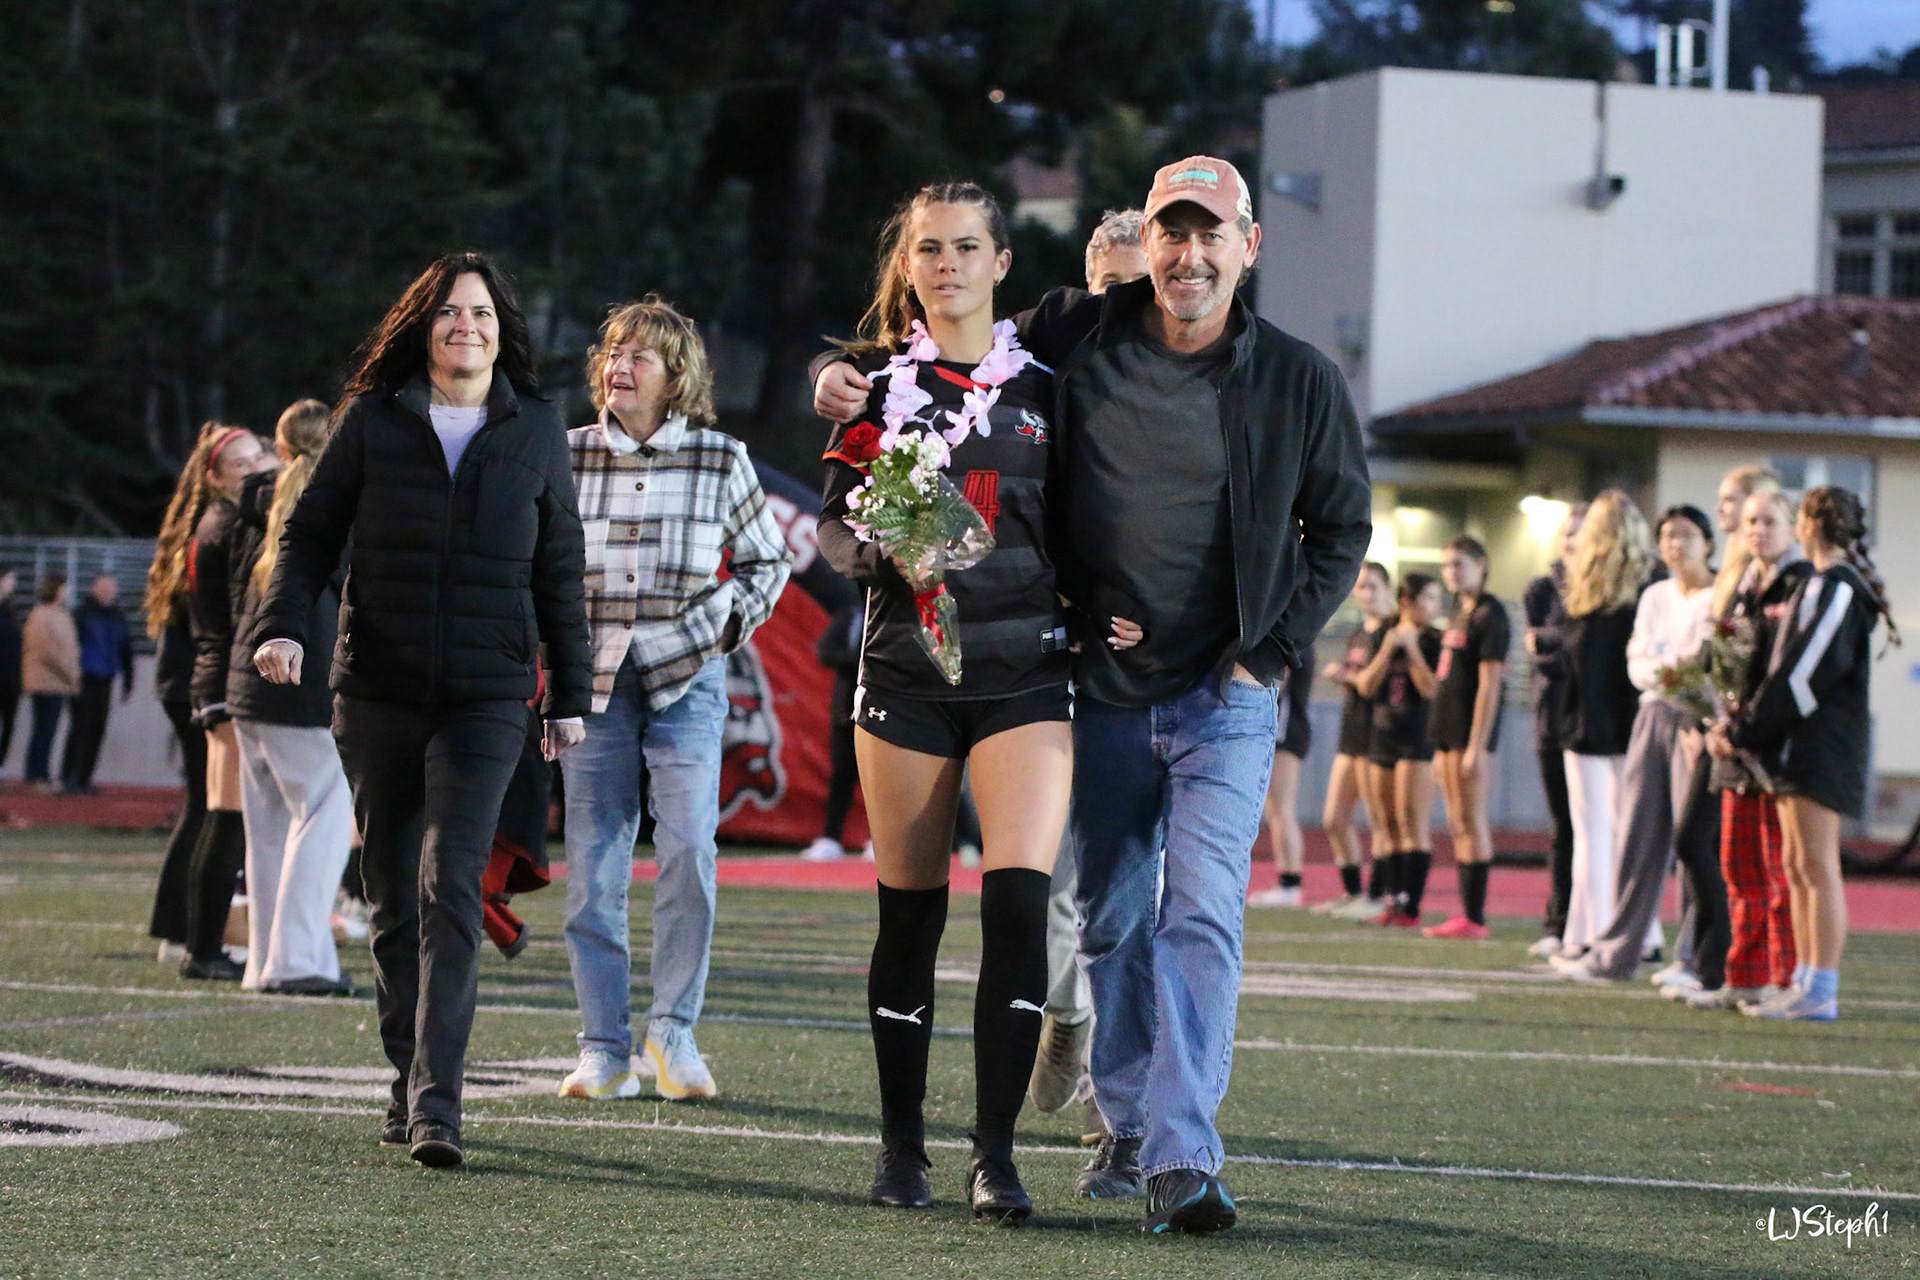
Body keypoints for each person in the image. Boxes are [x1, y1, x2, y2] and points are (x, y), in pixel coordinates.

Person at [816, 159, 1371, 1235]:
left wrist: (1265, 651)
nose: (1190, 255)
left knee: (1190, 912)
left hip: (1201, 690)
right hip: (1081, 688)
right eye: (1173, 233)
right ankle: (1099, 1121)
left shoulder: (1292, 376)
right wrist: (831, 378)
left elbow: (1337, 528)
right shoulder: (1068, 335)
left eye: (1211, 235)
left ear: (1249, 246)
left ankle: (1171, 1156)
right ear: (1148, 244)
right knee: (1103, 921)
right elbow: (931, 353)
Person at [249, 251, 592, 1169]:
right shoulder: (373, 418)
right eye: (447, 313)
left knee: (452, 888)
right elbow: (310, 534)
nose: (464, 327)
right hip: (378, 691)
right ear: (423, 326)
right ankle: (406, 1079)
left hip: (487, 696)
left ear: (501, 332)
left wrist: (570, 695)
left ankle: (439, 1105)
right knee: (394, 901)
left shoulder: (536, 427)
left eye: (480, 313)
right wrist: (282, 624)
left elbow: (561, 567)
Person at [817, 182, 1098, 1225]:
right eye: (930, 249)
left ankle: (996, 1155)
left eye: (966, 247)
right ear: (910, 265)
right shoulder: (872, 388)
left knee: (1019, 906)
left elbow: (1085, 523)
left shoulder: (1049, 386)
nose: (947, 264)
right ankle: (901, 1147)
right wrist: (878, 555)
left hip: (1026, 675)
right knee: (911, 916)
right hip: (905, 676)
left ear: (1000, 263)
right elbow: (835, 526)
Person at [554, 296, 791, 1105]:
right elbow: (535, 567)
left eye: (640, 356)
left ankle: (673, 1034)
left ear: (676, 374)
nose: (619, 366)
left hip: (689, 680)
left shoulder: (722, 458)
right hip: (591, 686)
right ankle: (601, 1048)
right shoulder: (566, 454)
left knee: (690, 849)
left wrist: (712, 628)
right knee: (593, 869)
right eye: (612, 352)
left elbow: (769, 563)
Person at [1031, 208, 1148, 1136]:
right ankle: (1069, 1010)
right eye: (1111, 287)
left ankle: (1127, 1098)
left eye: (1140, 286)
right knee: (1047, 865)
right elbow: (929, 342)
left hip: (1151, 663)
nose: (1126, 305)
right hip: (1050, 644)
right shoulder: (1046, 352)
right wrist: (839, 372)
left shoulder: (1199, 368)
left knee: (1134, 883)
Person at [1715, 487, 1895, 1021]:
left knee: (1817, 864)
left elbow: (1802, 673)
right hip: (1794, 743)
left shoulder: (1836, 586)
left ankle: (1822, 987)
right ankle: (1802, 979)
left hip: (1820, 747)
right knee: (1796, 865)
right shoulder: (1819, 583)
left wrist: (1747, 730)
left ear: (1810, 525)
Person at [209, 399, 356, 996]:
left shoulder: (250, 506)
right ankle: (296, 961)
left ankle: (265, 961)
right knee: (324, 817)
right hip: (305, 679)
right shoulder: (338, 504)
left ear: (281, 445)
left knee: (268, 832)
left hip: (250, 681)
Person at [1555, 505, 1718, 984]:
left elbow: (1705, 664)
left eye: (1686, 535)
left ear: (1708, 542)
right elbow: (1638, 663)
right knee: (1637, 838)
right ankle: (1616, 952)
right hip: (1652, 714)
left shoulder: (1718, 595)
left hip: (1695, 718)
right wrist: (1669, 668)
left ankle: (1691, 956)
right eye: (1667, 536)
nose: (1675, 544)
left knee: (1692, 842)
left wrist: (1670, 670)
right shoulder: (1656, 595)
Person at [1688, 485, 1807, 1011]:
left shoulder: (1802, 585)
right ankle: (1744, 976)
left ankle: (1784, 980)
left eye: (1769, 521)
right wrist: (1714, 722)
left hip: (1775, 753)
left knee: (1779, 872)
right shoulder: (1740, 587)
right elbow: (1716, 665)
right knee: (1739, 868)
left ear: (1794, 528)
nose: (1757, 530)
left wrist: (1749, 729)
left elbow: (1786, 676)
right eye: (1751, 522)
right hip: (1733, 751)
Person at [183, 426, 277, 983]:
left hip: (216, 674)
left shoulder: (221, 519)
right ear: (216, 478)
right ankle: (202, 947)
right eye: (238, 464)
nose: (253, 468)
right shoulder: (228, 521)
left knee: (225, 816)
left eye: (256, 456)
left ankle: (203, 943)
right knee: (226, 817)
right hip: (222, 679)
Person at [143, 425, 234, 959]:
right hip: (194, 683)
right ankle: (184, 930)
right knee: (209, 807)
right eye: (242, 463)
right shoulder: (211, 528)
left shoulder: (192, 527)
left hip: (183, 681)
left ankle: (179, 926)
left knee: (203, 806)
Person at [1553, 490, 1652, 960]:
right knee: (1615, 834)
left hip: (1600, 725)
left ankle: (1597, 935)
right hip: (1612, 723)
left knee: (1598, 835)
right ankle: (1618, 933)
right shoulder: (1634, 586)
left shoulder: (1597, 593)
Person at [1425, 536, 1510, 940]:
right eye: (1447, 565)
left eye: (1459, 564)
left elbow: (1490, 686)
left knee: (1472, 821)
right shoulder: (1460, 611)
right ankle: (1465, 913)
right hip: (1446, 731)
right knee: (1457, 822)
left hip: (1468, 736)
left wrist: (1477, 746)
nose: (1452, 572)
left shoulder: (1492, 614)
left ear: (1482, 564)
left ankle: (1475, 916)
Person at [1307, 562, 1397, 920]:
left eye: (1372, 586)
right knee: (1334, 818)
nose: (1365, 593)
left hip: (1380, 734)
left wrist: (1349, 678)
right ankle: (1353, 891)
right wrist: (1344, 677)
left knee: (1379, 821)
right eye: (1360, 587)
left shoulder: (1393, 631)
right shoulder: (1360, 631)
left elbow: (1375, 684)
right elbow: (1356, 681)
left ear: (1387, 588)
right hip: (1352, 731)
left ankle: (1377, 895)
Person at [1355, 573, 1445, 928]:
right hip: (1383, 735)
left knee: (1412, 820)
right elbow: (1365, 686)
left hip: (1417, 737)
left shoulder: (1434, 640)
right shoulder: (1384, 633)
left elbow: (1430, 689)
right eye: (1429, 598)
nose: (1435, 606)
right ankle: (1393, 900)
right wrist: (1390, 647)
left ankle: (1411, 906)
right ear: (1407, 602)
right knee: (1386, 822)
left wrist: (1412, 649)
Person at [1522, 505, 1585, 957]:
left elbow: (1571, 647)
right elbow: (1541, 651)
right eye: (1567, 533)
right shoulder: (1542, 589)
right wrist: (1562, 645)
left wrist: (1556, 643)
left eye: (1582, 533)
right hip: (1552, 717)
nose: (1572, 541)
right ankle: (1558, 922)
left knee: (1600, 829)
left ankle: (1595, 926)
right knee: (1564, 826)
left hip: (1598, 722)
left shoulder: (1608, 587)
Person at [1248, 640, 1315, 907]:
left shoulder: (1294, 640)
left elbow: (1276, 680)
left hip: (1285, 731)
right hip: (1285, 730)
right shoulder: (1298, 639)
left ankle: (1291, 883)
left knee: (1281, 808)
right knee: (1276, 809)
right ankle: (1288, 881)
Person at [58, 572, 134, 794]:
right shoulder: (81, 614)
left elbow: (126, 649)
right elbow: (69, 647)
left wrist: (128, 681)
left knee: (97, 730)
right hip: (83, 679)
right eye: (104, 588)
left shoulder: (118, 616)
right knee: (80, 729)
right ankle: (69, 777)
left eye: (111, 588)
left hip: (106, 679)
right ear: (95, 589)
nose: (108, 593)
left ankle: (84, 778)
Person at [802, 600, 864, 862]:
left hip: (887, 711)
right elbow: (825, 650)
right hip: (846, 711)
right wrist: (861, 662)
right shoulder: (851, 615)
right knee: (841, 776)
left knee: (884, 780)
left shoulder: (896, 616)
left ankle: (882, 840)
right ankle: (831, 837)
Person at [20, 575, 79, 792]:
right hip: (46, 683)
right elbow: (47, 651)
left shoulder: (60, 615)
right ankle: (36, 775)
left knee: (47, 731)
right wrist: (69, 674)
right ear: (57, 591)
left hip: (57, 683)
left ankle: (41, 774)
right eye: (66, 588)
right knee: (43, 731)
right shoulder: (42, 616)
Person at [0, 567, 20, 783]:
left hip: (11, 678)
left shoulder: (11, 609)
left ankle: (1, 765)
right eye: (10, 579)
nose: (13, 583)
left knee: (8, 724)